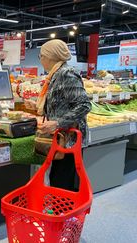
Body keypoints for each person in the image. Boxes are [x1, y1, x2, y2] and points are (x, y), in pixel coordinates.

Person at [25, 39, 91, 191]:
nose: (40, 60)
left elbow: (84, 105)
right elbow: (62, 102)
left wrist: (57, 123)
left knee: (62, 182)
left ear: (49, 57)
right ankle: (59, 210)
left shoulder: (66, 74)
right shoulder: (55, 74)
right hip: (61, 137)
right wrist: (38, 106)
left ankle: (63, 212)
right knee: (57, 179)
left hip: (69, 140)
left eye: (41, 56)